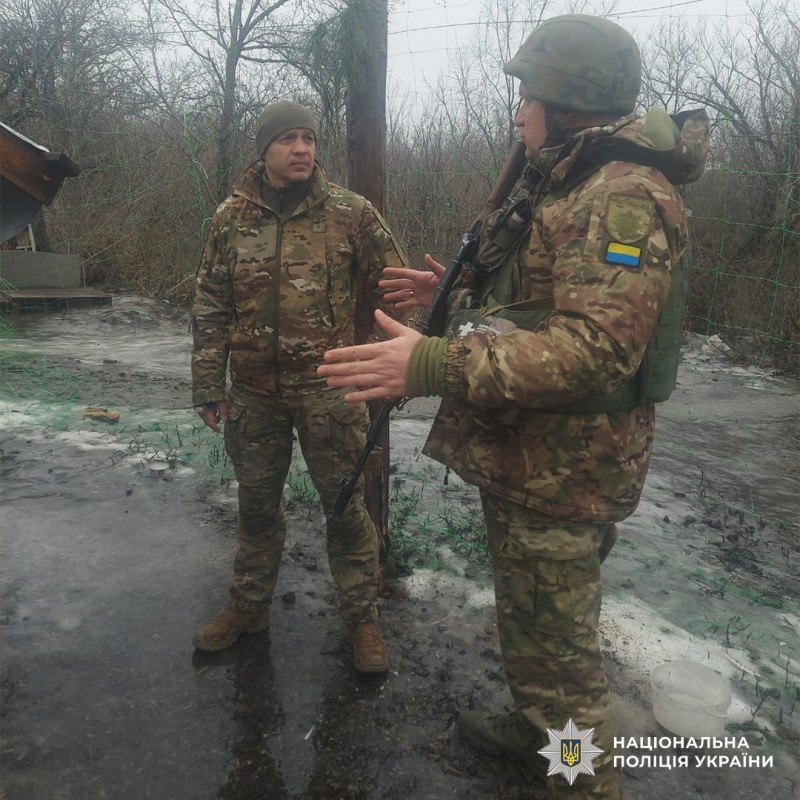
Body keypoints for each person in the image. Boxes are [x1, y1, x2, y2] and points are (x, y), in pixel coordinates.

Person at [318, 14, 709, 798]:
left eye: (527, 97)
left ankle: (575, 772)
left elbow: (595, 348)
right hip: (538, 460)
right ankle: (541, 736)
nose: (516, 113)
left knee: (561, 665)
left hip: (567, 472)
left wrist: (431, 360)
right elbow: (543, 304)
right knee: (539, 636)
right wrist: (452, 296)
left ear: (569, 104)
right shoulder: (571, 180)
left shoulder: (620, 197)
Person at [191, 100, 410, 673]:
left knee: (345, 509)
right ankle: (248, 608)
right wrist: (208, 383)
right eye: (288, 139)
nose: (302, 149)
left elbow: (397, 286)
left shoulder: (350, 212)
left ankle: (361, 618)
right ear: (263, 150)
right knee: (257, 507)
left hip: (329, 390)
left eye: (309, 138)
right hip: (255, 394)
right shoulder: (229, 219)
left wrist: (397, 361)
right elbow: (211, 303)